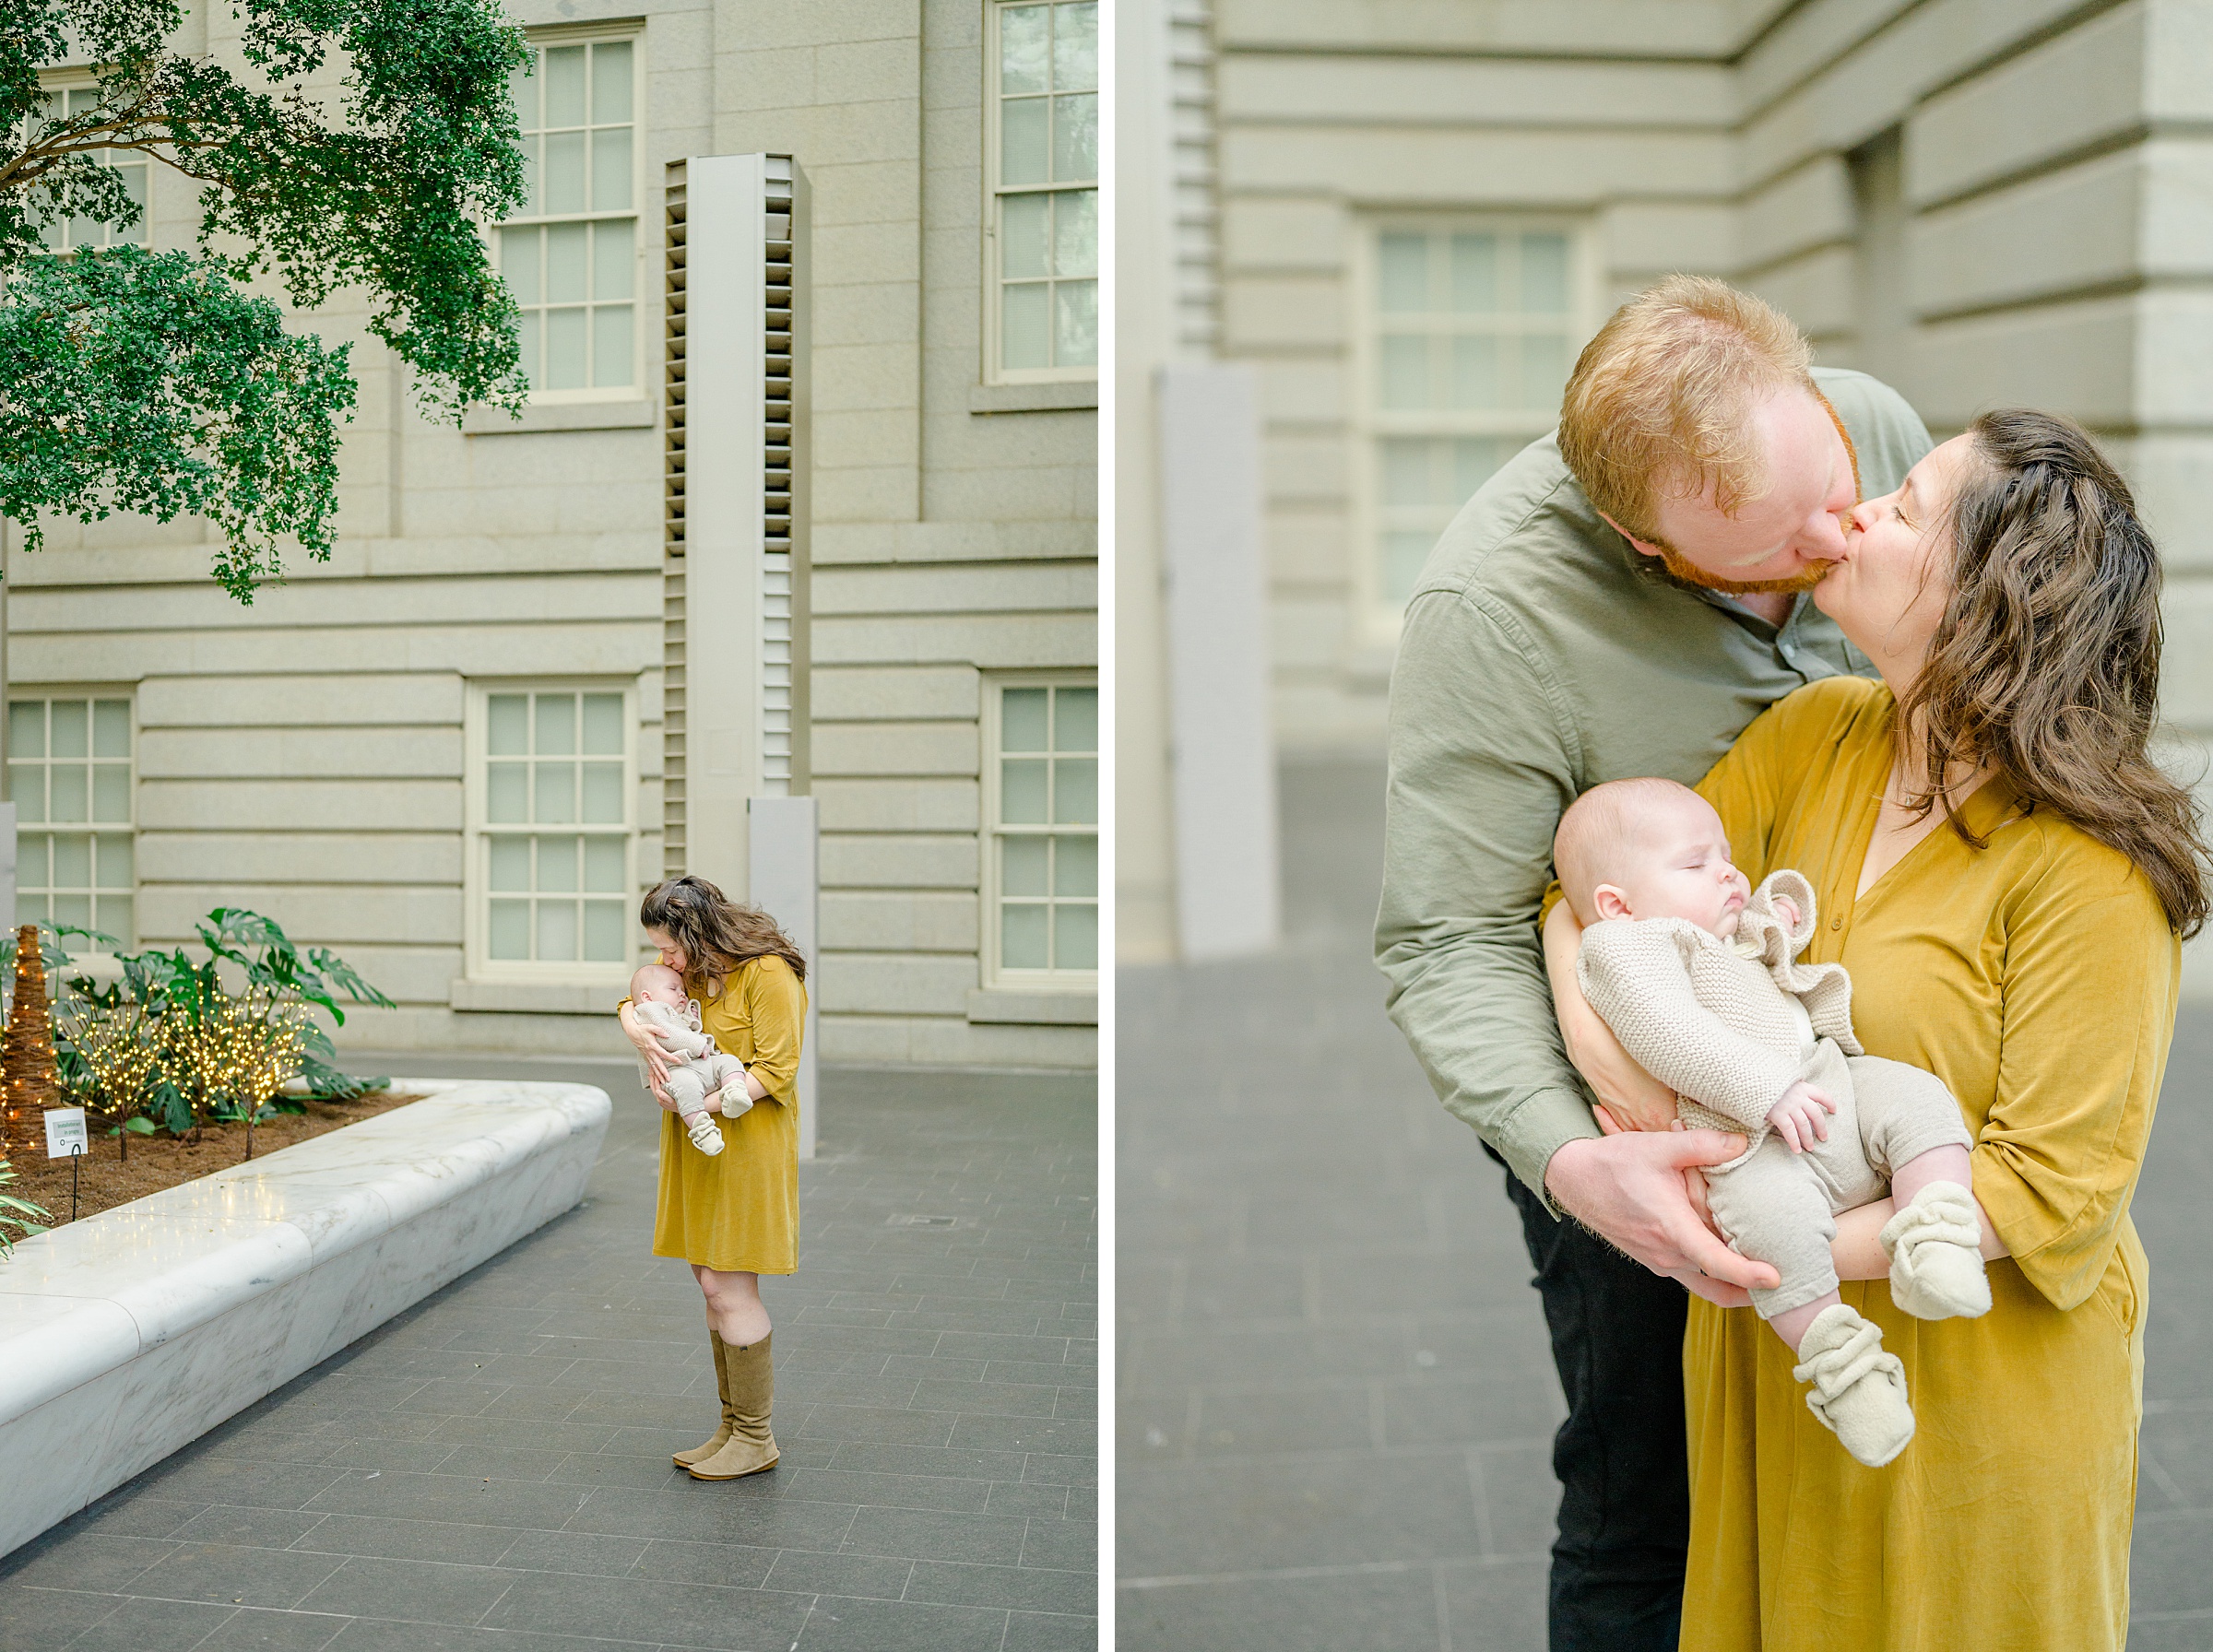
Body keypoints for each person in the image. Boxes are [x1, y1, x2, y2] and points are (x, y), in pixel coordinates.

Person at [1551, 409, 2202, 1649]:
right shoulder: (1813, 738)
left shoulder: (2090, 870)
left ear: (1987, 603)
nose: (1854, 518)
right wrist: (1626, 1099)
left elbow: (2057, 1190)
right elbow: (1587, 907)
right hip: (1784, 1375)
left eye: (1904, 509)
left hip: (1977, 1401)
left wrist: (1748, 1248)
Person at [1377, 276, 1930, 1647]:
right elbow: (1447, 936)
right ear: (1645, 542)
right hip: (1650, 1109)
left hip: (1858, 1048)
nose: (1837, 537)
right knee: (1644, 1496)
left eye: (1834, 485)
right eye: (1768, 551)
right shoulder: (1491, 613)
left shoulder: (1868, 426)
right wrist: (1578, 1166)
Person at [1555, 779, 1986, 1468]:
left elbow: (1773, 958)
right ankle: (1845, 1370)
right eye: (1696, 864)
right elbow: (1667, 1029)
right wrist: (1763, 1089)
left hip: (1829, 1082)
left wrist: (1775, 917)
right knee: (1770, 1234)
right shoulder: (1628, 948)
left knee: (1918, 1098)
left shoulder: (1712, 936)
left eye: (1726, 855)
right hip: (1747, 1136)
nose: (1727, 870)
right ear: (1617, 904)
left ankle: (1937, 1229)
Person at [617, 875, 808, 1482]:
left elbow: (778, 1068)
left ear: (697, 934)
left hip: (745, 1141)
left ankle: (756, 1436)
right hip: (699, 1146)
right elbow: (645, 996)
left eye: (670, 948)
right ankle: (732, 1426)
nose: (664, 960)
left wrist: (702, 1102)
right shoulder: (695, 972)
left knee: (730, 1287)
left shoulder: (769, 975)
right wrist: (630, 1018)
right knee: (709, 1282)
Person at [624, 961, 754, 1157]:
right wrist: (698, 1045)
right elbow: (667, 1034)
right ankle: (703, 1131)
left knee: (729, 1062)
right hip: (675, 1069)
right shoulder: (649, 1011)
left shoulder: (671, 1010)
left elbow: (687, 1027)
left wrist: (691, 1015)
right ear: (647, 997)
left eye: (683, 989)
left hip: (699, 1062)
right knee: (688, 1089)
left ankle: (734, 1092)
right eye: (673, 988)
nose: (682, 993)